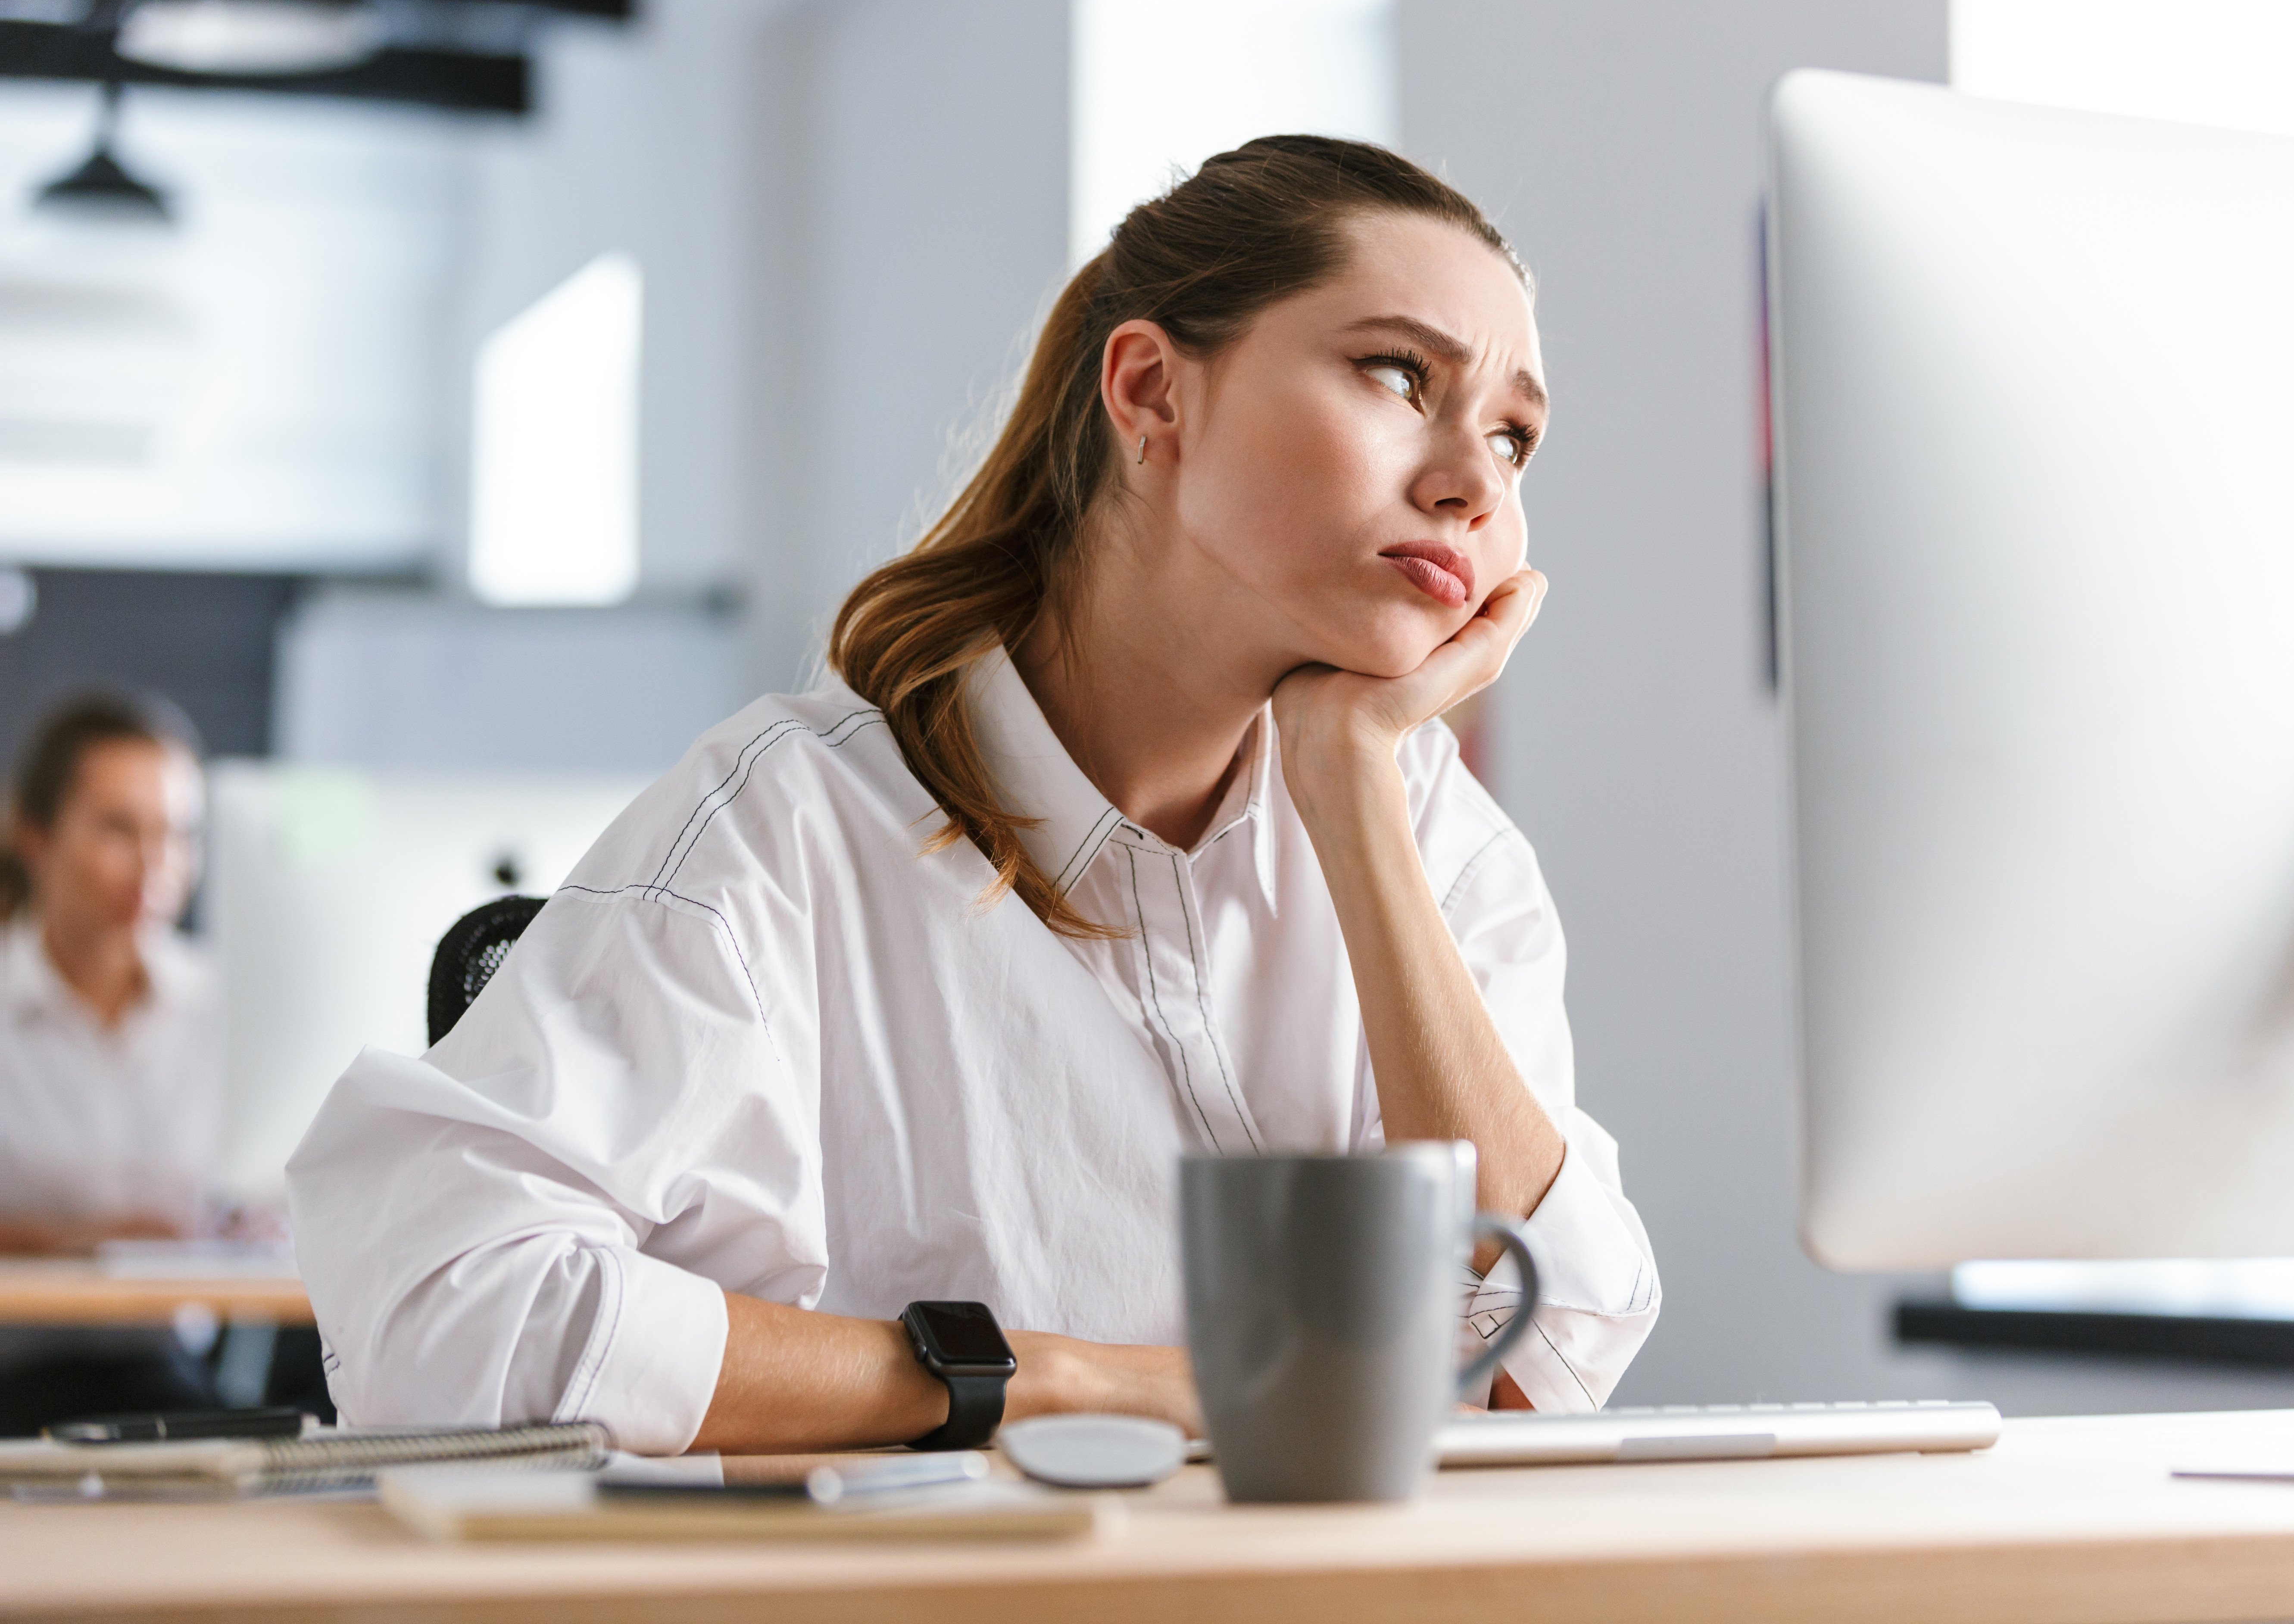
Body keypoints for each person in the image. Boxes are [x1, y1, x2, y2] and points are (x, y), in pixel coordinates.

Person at [291, 137, 1659, 1455]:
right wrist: (1047, 1380)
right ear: (1151, 394)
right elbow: (437, 1314)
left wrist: (1358, 807)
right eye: (1398, 374)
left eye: (1518, 437)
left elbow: (1547, 1369)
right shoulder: (789, 833)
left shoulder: (1430, 843)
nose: (1476, 480)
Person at [0, 692, 223, 1433]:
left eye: (178, 835)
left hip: (168, 1379)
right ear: (35, 835)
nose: (156, 866)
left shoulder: (225, 1011)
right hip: (17, 1374)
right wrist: (82, 1246)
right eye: (119, 830)